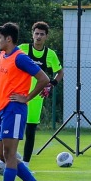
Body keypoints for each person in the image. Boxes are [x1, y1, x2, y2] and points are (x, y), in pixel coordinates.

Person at [0, 22, 51, 181]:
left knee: (10, 153)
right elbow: (2, 83)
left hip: (15, 110)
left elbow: (44, 79)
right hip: (3, 109)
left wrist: (27, 97)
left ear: (9, 39)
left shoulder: (20, 58)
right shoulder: (1, 56)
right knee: (5, 155)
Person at [17, 21, 63, 163]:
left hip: (36, 97)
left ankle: (25, 163)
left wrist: (51, 85)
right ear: (32, 35)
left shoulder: (50, 54)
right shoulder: (23, 49)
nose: (38, 36)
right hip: (18, 94)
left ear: (46, 37)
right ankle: (5, 158)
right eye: (36, 33)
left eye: (41, 34)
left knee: (30, 130)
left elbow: (60, 72)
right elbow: (8, 56)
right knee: (12, 128)